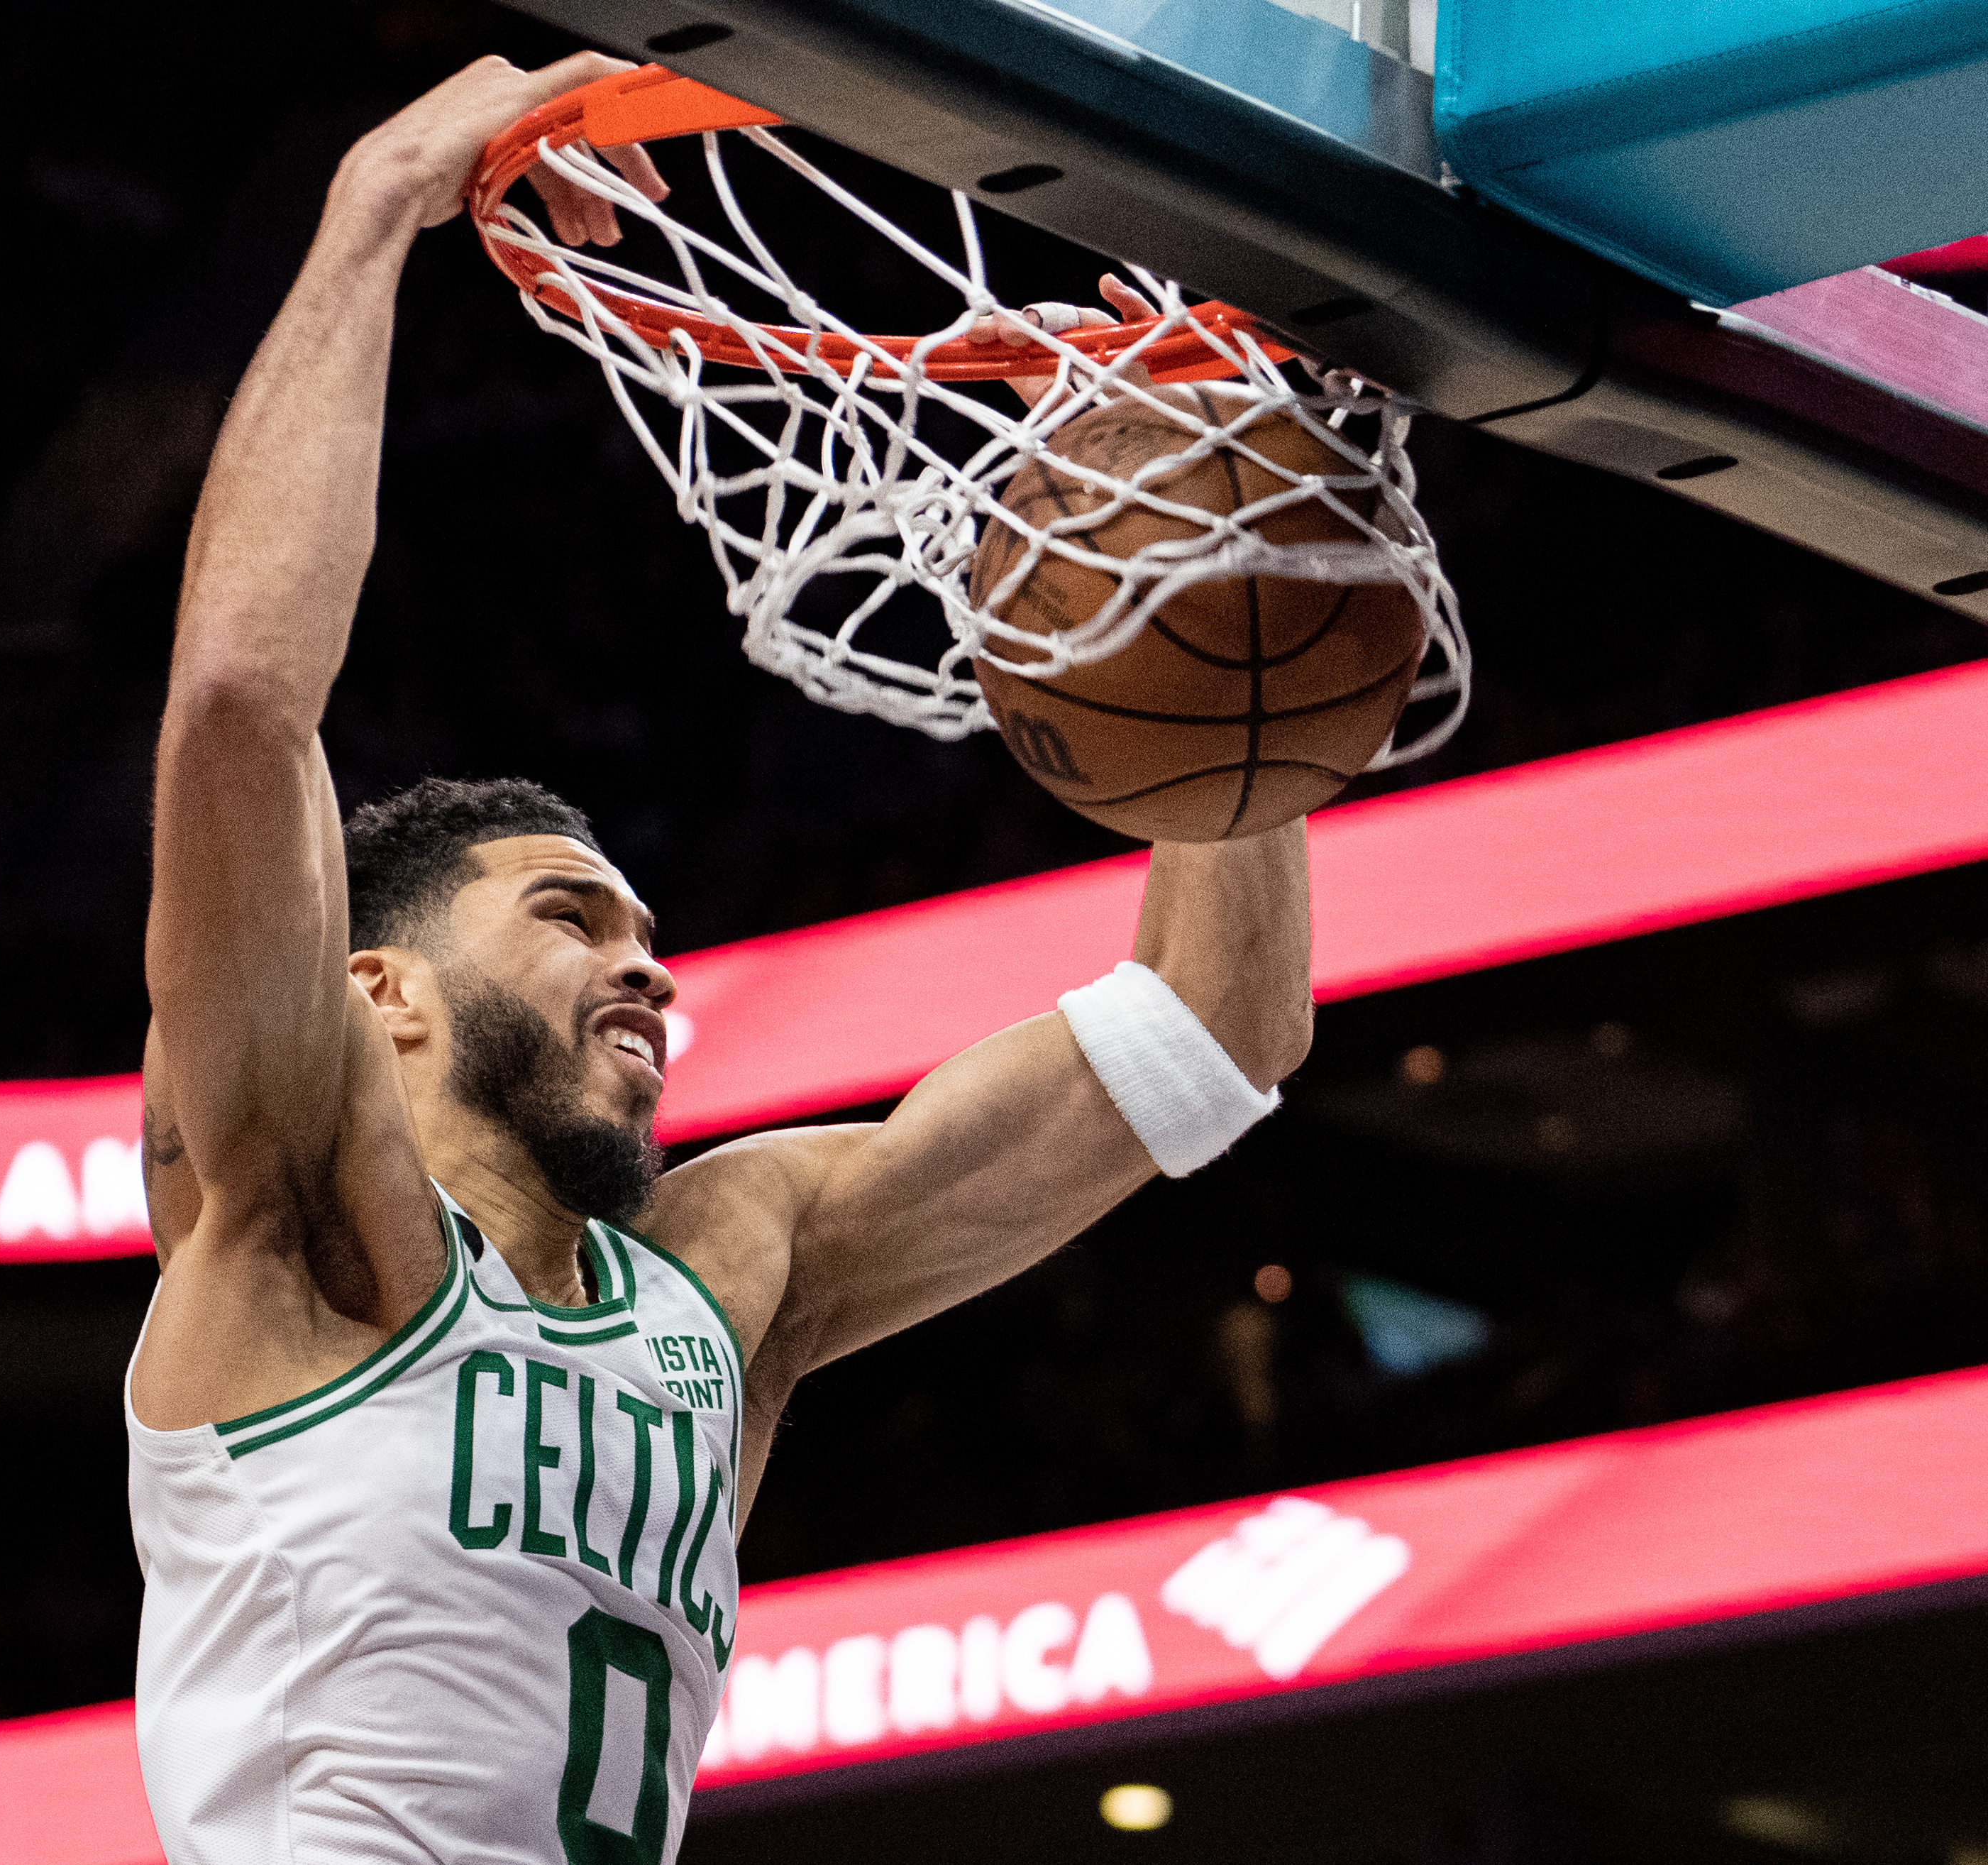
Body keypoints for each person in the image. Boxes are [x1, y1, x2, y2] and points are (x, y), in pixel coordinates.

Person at [126, 48, 1314, 1865]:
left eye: (648, 931)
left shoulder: (733, 1274)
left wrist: (1216, 565)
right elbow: (237, 704)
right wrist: (379, 199)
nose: (650, 970)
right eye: (572, 916)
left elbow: (1214, 1037)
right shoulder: (296, 1210)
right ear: (383, 993)